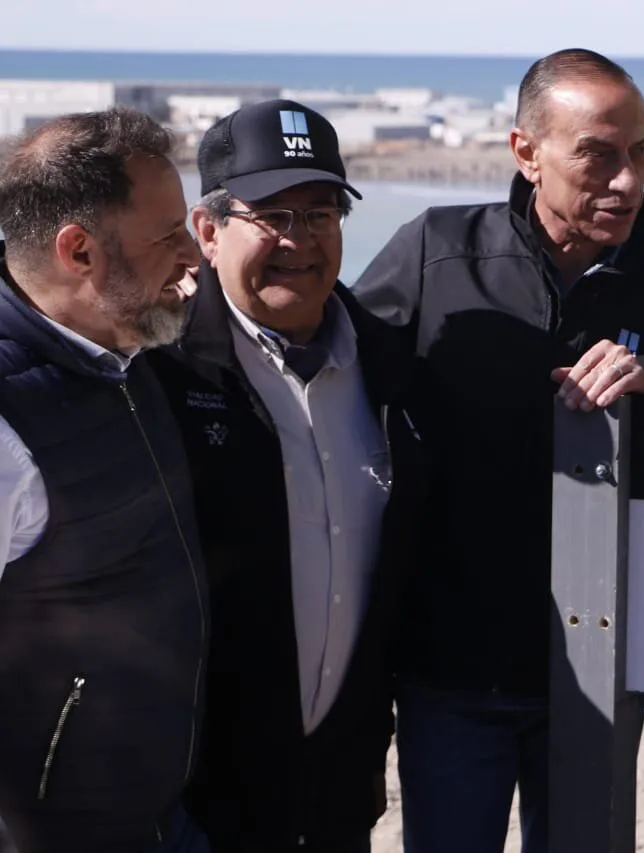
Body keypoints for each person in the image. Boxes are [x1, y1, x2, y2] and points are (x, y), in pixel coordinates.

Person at [353, 48, 644, 853]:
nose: (626, 180)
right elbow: (329, 378)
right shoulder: (435, 251)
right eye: (597, 154)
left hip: (602, 672)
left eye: (640, 153)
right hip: (449, 668)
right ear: (525, 152)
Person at [145, 99, 426, 852]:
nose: (299, 241)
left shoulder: (394, 368)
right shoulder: (155, 374)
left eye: (321, 213)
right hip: (194, 805)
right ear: (207, 231)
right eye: (271, 215)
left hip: (338, 791)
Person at [0, 108, 208, 851]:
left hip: (161, 817)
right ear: (78, 251)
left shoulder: (119, 343)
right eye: (166, 236)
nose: (193, 255)